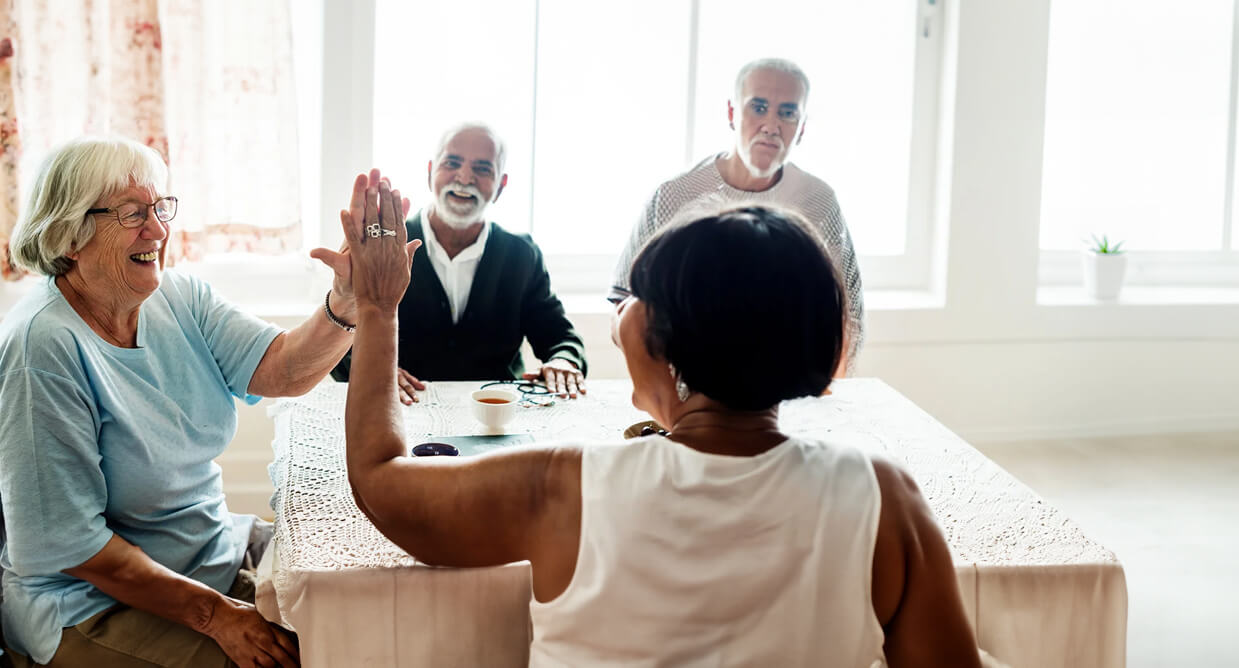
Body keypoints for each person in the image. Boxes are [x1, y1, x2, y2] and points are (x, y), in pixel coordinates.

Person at [341, 192, 977, 666]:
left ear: (660, 340)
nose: (619, 313)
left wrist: (376, 308)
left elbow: (378, 478)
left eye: (633, 298)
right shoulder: (883, 498)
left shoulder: (567, 487)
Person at [0, 136, 386, 667]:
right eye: (133, 213)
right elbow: (74, 546)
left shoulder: (180, 297)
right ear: (70, 235)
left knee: (363, 599)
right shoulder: (41, 348)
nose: (158, 230)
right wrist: (218, 617)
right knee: (305, 657)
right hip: (89, 604)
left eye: (160, 208)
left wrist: (345, 303)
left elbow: (283, 369)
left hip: (207, 554)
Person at [609, 58, 865, 366]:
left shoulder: (818, 202)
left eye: (787, 113)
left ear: (801, 128)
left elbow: (847, 315)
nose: (771, 126)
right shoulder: (676, 196)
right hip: (690, 382)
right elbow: (625, 302)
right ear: (732, 113)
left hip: (785, 380)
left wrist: (822, 398)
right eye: (758, 108)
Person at [330, 123, 587, 404]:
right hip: (402, 413)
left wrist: (564, 362)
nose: (465, 178)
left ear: (500, 186)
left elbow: (560, 337)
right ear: (430, 173)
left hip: (499, 421)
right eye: (452, 163)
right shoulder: (383, 245)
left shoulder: (521, 254)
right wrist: (373, 371)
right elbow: (340, 339)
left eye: (482, 169)